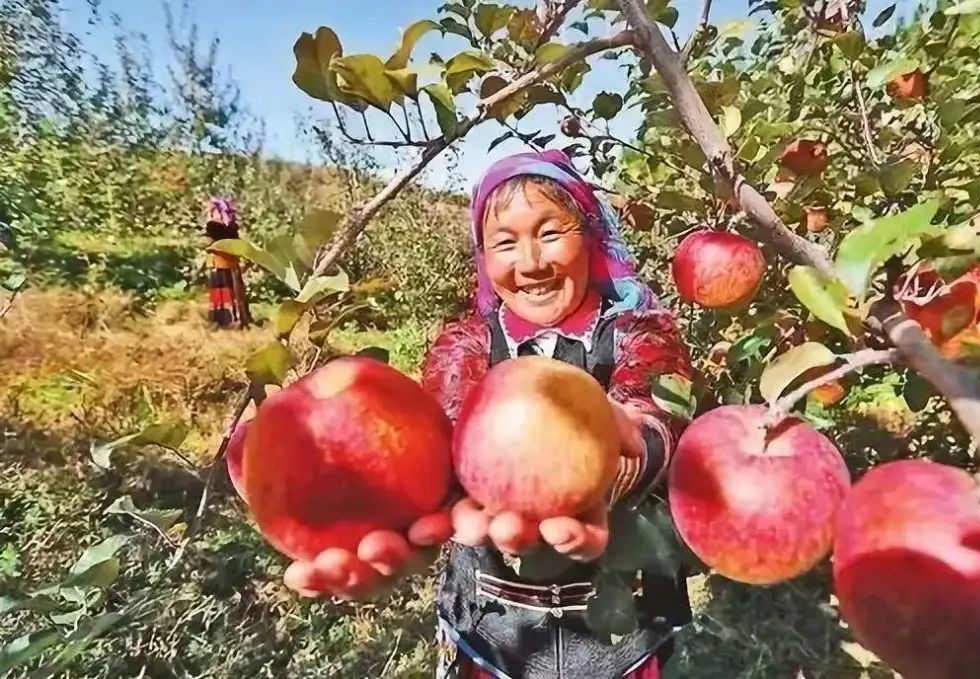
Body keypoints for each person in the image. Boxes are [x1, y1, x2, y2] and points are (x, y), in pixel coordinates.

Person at [280, 150, 695, 679]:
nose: (530, 262)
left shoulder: (641, 331)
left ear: (589, 235)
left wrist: (624, 448)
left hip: (621, 635)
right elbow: (440, 436)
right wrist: (391, 501)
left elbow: (654, 413)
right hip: (494, 631)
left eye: (550, 232)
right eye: (505, 241)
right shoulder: (466, 343)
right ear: (483, 255)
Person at [204, 196, 251, 330]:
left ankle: (232, 320)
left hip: (228, 266)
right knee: (223, 294)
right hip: (220, 266)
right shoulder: (216, 228)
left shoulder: (226, 228)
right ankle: (225, 320)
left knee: (230, 293)